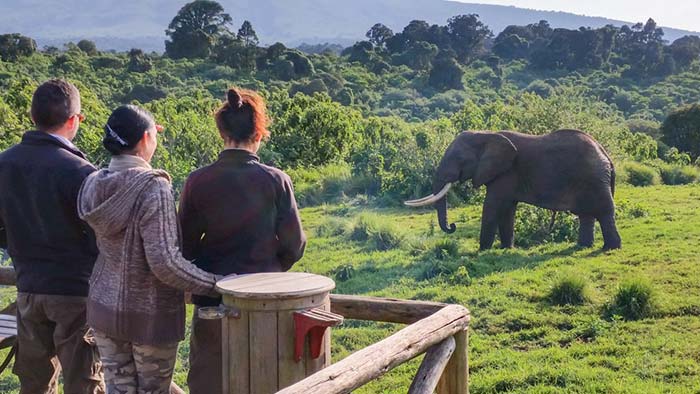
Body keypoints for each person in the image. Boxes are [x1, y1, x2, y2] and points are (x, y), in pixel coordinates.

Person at [77, 105, 221, 394]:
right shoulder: (153, 188)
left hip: (104, 310)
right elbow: (165, 262)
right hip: (149, 316)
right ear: (145, 138)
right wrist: (216, 284)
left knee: (119, 390)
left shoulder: (91, 184)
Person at [180, 87, 306, 393]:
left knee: (209, 380)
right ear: (259, 132)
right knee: (266, 377)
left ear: (222, 133)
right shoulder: (276, 180)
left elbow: (184, 245)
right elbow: (295, 245)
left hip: (213, 297)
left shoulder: (198, 180)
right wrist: (268, 270)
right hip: (265, 299)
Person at [0, 79, 105, 393]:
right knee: (83, 383)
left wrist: (20, 246)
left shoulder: (4, 164)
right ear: (74, 120)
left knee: (34, 384)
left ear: (33, 117)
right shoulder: (81, 172)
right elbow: (100, 237)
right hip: (76, 293)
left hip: (28, 289)